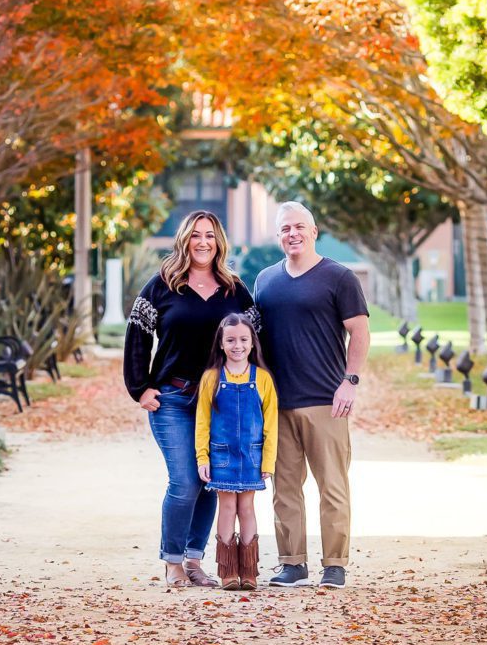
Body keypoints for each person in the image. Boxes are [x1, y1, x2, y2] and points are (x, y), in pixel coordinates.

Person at [123, 211, 260, 589]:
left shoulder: (234, 289)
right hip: (173, 398)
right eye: (196, 235)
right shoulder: (162, 285)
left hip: (221, 401)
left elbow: (254, 342)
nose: (203, 242)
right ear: (184, 240)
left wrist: (254, 391)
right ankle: (172, 561)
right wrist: (140, 387)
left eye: (210, 236)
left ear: (219, 242)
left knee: (211, 481)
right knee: (184, 481)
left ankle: (195, 560)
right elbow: (137, 335)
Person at [254, 201, 370, 590]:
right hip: (279, 403)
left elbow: (359, 331)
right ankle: (293, 563)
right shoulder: (265, 281)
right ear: (278, 236)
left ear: (314, 231)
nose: (293, 234)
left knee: (332, 486)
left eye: (299, 227)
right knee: (284, 489)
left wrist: (349, 382)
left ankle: (334, 564)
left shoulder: (339, 277)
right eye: (285, 228)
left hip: (326, 400)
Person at [195, 313, 278, 590]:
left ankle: (249, 571)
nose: (237, 345)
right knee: (227, 507)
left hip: (252, 456)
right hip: (222, 455)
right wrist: (202, 457)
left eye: (243, 339)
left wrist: (268, 460)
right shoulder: (211, 378)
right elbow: (202, 421)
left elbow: (272, 424)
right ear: (220, 343)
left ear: (252, 343)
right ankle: (229, 571)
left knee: (247, 508)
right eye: (230, 340)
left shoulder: (263, 379)